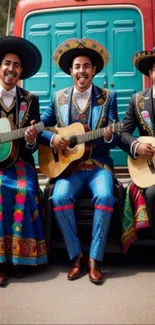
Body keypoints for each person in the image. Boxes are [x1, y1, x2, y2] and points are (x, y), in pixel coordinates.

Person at [40, 38, 120, 284]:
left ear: (94, 70)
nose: (82, 70)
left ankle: (95, 258)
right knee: (59, 197)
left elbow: (116, 139)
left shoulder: (109, 97)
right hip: (69, 169)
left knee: (106, 197)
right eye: (77, 66)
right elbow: (41, 126)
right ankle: (77, 256)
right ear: (70, 71)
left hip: (98, 167)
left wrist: (109, 135)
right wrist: (52, 140)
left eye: (87, 66)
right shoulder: (59, 98)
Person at [0, 36, 48, 286]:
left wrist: (30, 137)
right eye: (7, 63)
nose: (11, 69)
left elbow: (34, 143)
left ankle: (19, 258)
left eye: (16, 65)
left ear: (21, 71)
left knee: (24, 190)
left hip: (20, 163)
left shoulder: (30, 100)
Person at [119, 48, 155, 253]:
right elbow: (123, 133)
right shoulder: (137, 100)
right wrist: (137, 146)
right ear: (151, 73)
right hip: (149, 169)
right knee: (153, 192)